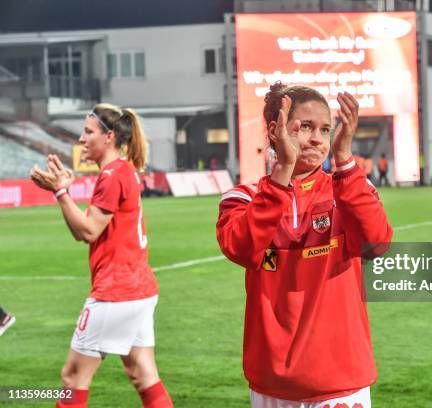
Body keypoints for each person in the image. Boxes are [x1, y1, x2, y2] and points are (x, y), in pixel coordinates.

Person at [216, 83, 393, 408]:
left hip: (340, 379)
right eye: (305, 127)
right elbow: (240, 248)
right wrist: (282, 171)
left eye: (325, 129)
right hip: (271, 382)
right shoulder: (243, 198)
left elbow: (377, 243)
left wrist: (344, 159)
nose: (317, 139)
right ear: (275, 130)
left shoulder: (349, 188)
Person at [30, 104, 173, 408]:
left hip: (116, 293)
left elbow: (88, 231)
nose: (82, 139)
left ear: (108, 136)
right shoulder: (124, 169)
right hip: (139, 290)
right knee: (142, 374)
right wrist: (64, 191)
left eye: (88, 132)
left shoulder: (111, 174)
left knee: (72, 379)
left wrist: (60, 193)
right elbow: (91, 229)